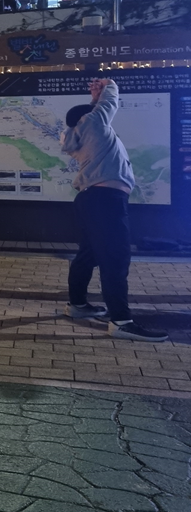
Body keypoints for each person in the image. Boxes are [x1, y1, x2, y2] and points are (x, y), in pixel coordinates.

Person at [61, 78, 166, 342]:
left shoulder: (82, 134)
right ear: (87, 118)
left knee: (88, 254)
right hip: (106, 201)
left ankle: (77, 306)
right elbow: (109, 104)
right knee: (115, 258)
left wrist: (94, 100)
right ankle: (121, 321)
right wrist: (109, 85)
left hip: (91, 199)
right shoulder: (94, 124)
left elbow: (99, 109)